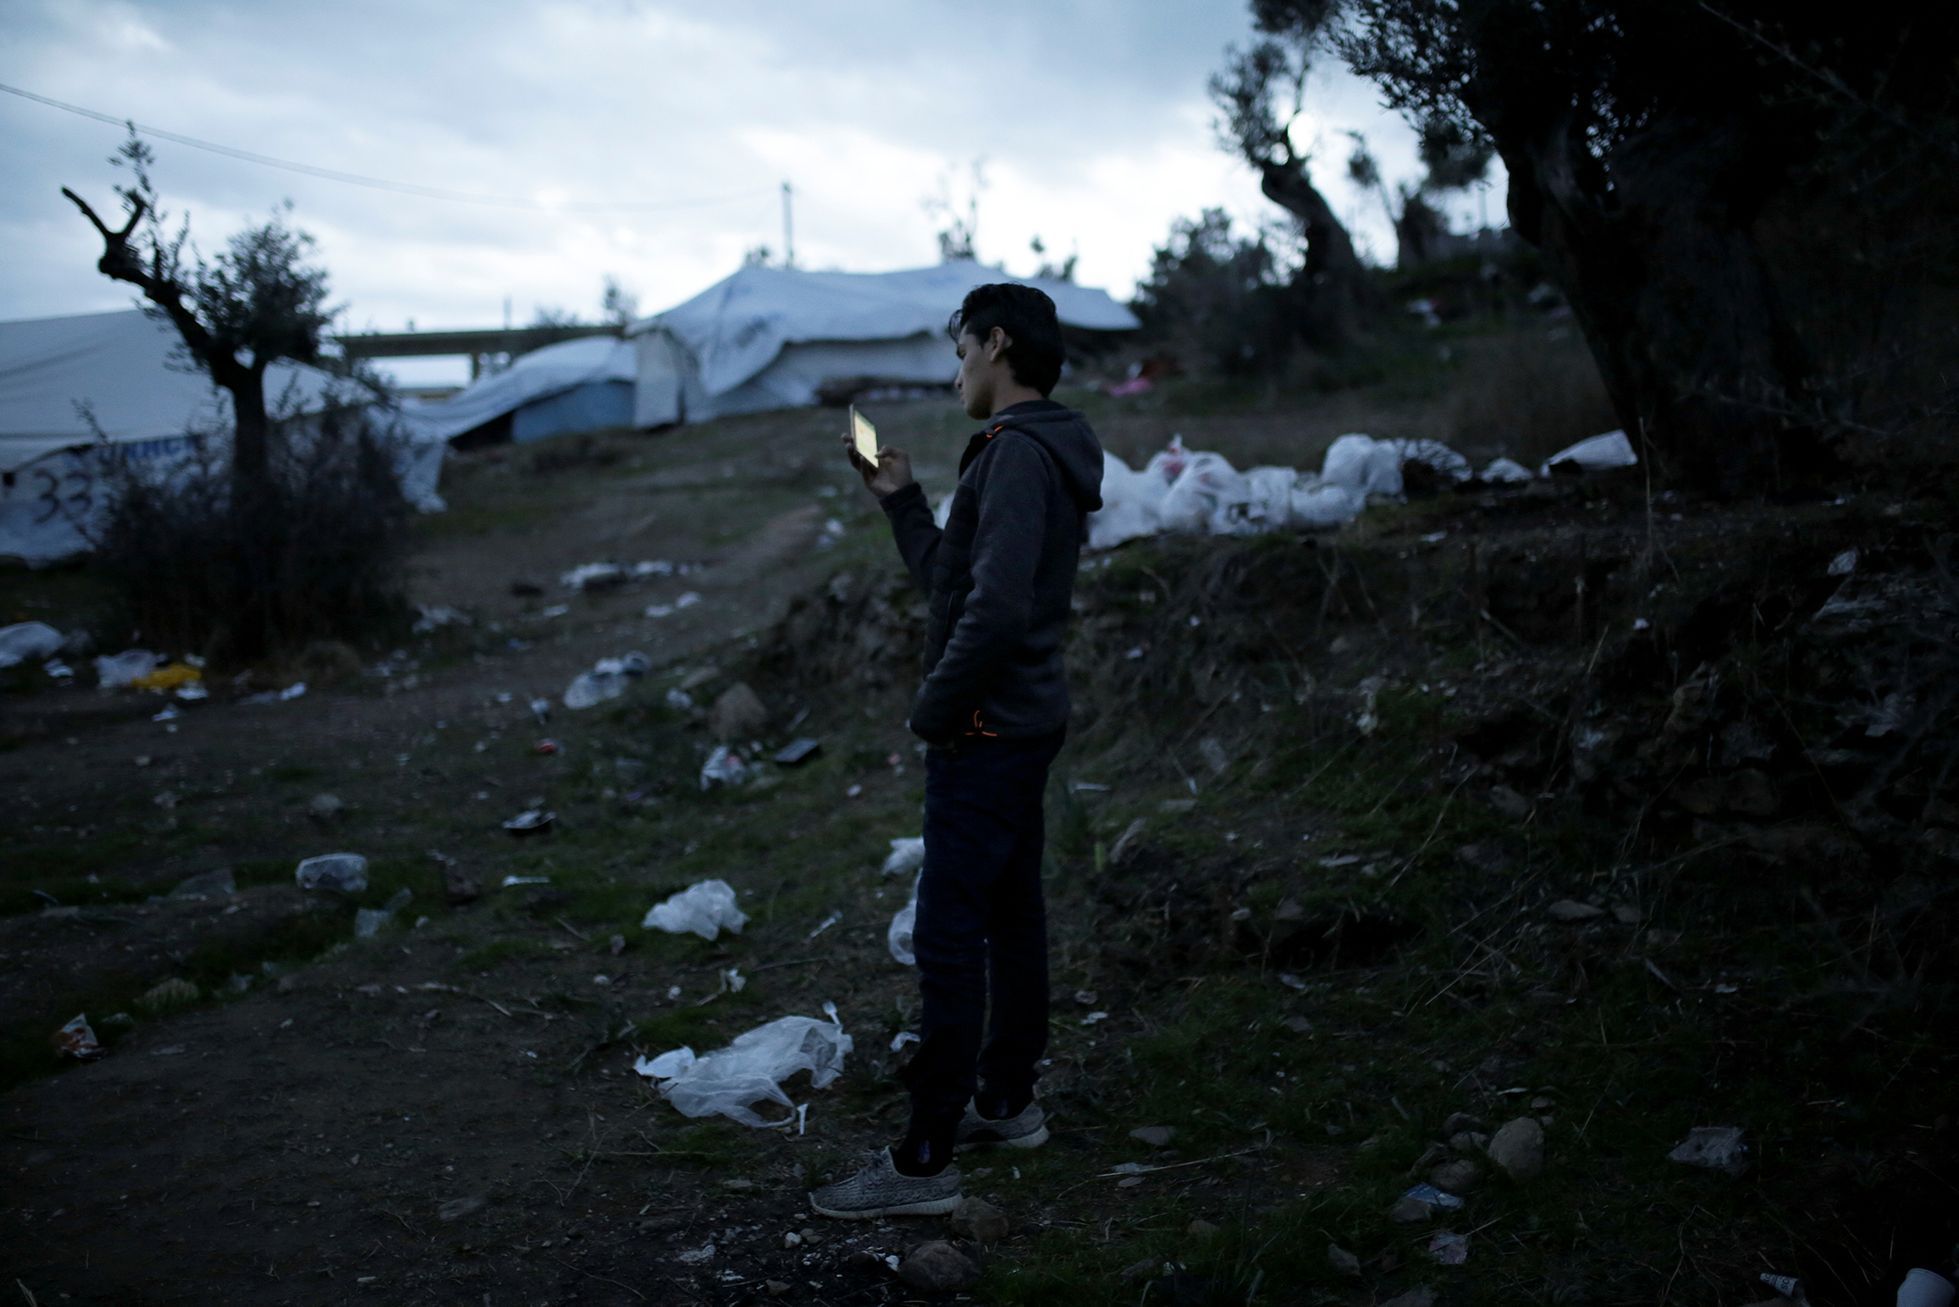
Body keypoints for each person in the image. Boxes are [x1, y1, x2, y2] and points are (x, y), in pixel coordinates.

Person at [809, 283, 1105, 1219]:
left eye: (959, 349)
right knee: (1010, 913)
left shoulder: (1016, 454)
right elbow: (959, 581)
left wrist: (933, 708)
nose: (956, 369)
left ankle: (923, 1159)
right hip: (1019, 719)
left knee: (947, 935)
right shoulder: (1026, 451)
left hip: (986, 729)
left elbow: (995, 609)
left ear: (995, 342)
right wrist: (904, 505)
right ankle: (1005, 1103)